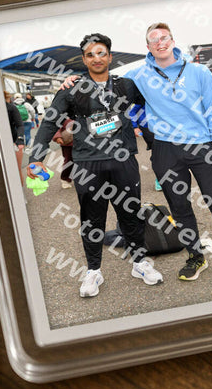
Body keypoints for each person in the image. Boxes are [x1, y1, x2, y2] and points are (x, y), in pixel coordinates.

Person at [29, 33, 163, 298]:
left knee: (131, 214)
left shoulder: (126, 85)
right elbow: (50, 121)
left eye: (101, 53)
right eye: (90, 55)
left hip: (123, 160)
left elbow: (152, 106)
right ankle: (93, 271)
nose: (96, 58)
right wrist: (36, 158)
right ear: (84, 60)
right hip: (87, 163)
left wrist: (158, 144)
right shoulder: (72, 88)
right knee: (92, 220)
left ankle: (139, 263)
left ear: (110, 57)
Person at [123, 22, 212, 284]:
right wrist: (74, 81)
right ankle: (196, 257)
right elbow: (106, 85)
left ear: (172, 41)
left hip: (202, 145)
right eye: (154, 40)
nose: (160, 42)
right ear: (148, 47)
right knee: (179, 207)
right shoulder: (138, 75)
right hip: (165, 149)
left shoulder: (198, 71)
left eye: (164, 37)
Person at [128, 104, 162, 191]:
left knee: (165, 152)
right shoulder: (142, 99)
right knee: (158, 153)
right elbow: (132, 112)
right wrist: (135, 127)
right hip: (147, 127)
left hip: (163, 127)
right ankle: (159, 179)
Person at [4, 91, 25, 185]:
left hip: (13, 142)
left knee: (16, 169)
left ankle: (20, 192)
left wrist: (20, 140)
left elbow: (20, 125)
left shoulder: (11, 108)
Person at [52, 118, 74, 189]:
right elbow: (55, 127)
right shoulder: (62, 116)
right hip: (68, 144)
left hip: (81, 143)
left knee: (83, 162)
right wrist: (57, 137)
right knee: (69, 161)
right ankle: (65, 179)